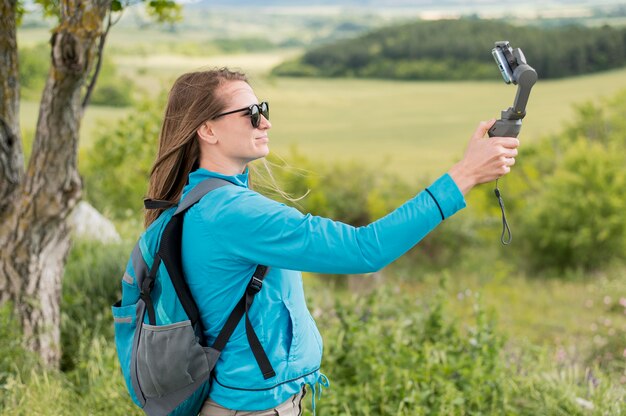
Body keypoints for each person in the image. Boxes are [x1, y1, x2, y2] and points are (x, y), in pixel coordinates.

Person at [144, 68, 519, 416]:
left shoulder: (198, 200)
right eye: (251, 113)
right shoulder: (234, 213)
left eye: (264, 108)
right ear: (207, 130)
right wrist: (465, 174)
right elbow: (364, 250)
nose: (266, 121)